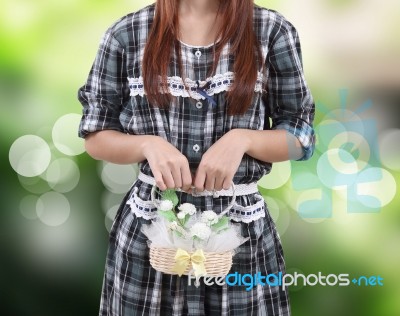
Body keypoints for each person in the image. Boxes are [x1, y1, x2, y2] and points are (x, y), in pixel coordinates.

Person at [78, 0, 315, 315]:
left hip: (240, 237)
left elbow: (301, 137)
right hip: (151, 236)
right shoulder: (126, 34)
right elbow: (96, 136)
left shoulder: (271, 31)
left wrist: (243, 139)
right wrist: (147, 145)